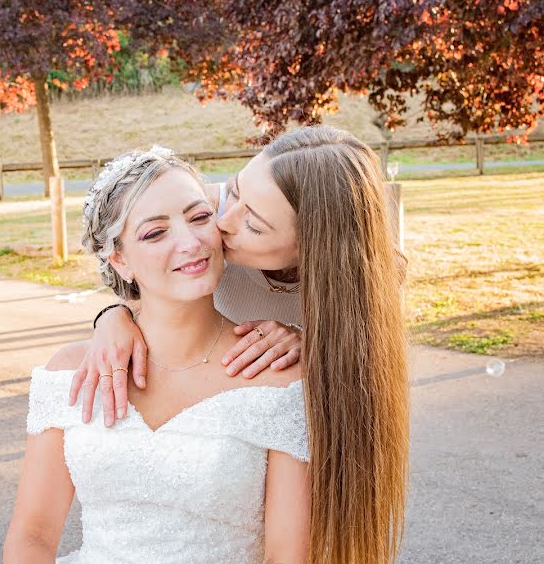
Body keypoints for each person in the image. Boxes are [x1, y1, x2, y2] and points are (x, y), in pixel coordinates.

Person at [66, 126, 410, 563]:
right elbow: (142, 258)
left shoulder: (364, 285)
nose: (220, 224)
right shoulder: (211, 218)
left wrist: (312, 342)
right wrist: (113, 316)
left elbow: (357, 385)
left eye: (253, 223)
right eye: (232, 192)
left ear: (310, 247)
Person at [4, 146, 311, 563]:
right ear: (119, 260)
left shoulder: (278, 380)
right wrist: (111, 315)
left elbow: (287, 556)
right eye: (155, 233)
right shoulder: (68, 373)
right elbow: (34, 536)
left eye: (200, 217)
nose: (190, 242)